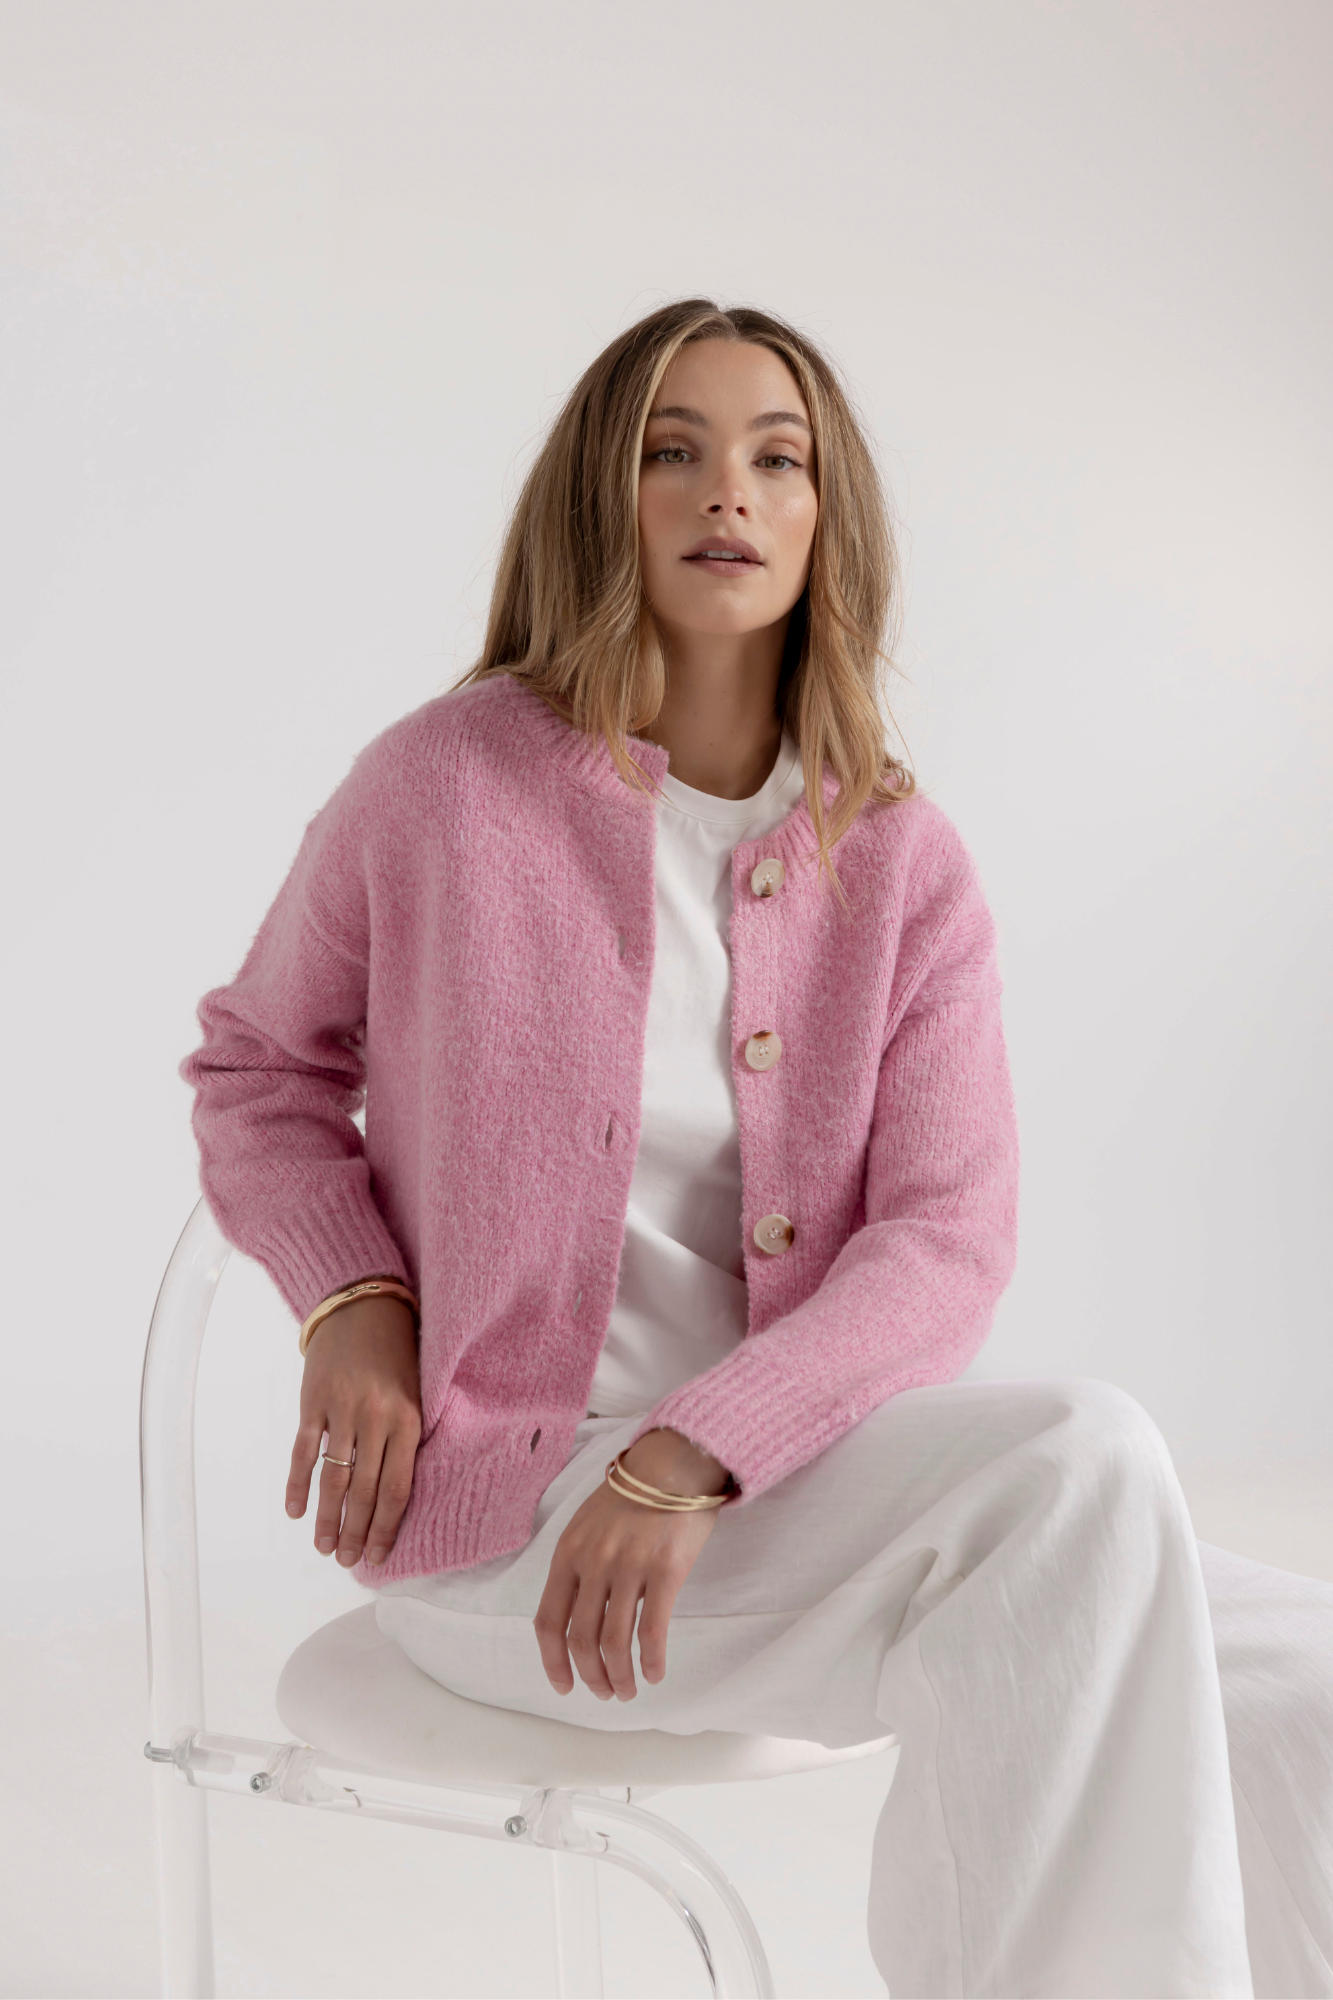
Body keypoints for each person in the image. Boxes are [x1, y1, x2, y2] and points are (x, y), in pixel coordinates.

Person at [181, 299, 1332, 1998]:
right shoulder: (444, 787)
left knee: (1302, 1677)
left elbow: (944, 1242)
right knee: (1079, 1466)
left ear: (823, 517)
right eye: (676, 449)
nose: (730, 489)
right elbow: (260, 1063)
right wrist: (351, 1300)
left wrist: (695, 1454)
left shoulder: (902, 864)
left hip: (763, 1504)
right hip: (518, 1533)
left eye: (777, 459)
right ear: (604, 493)